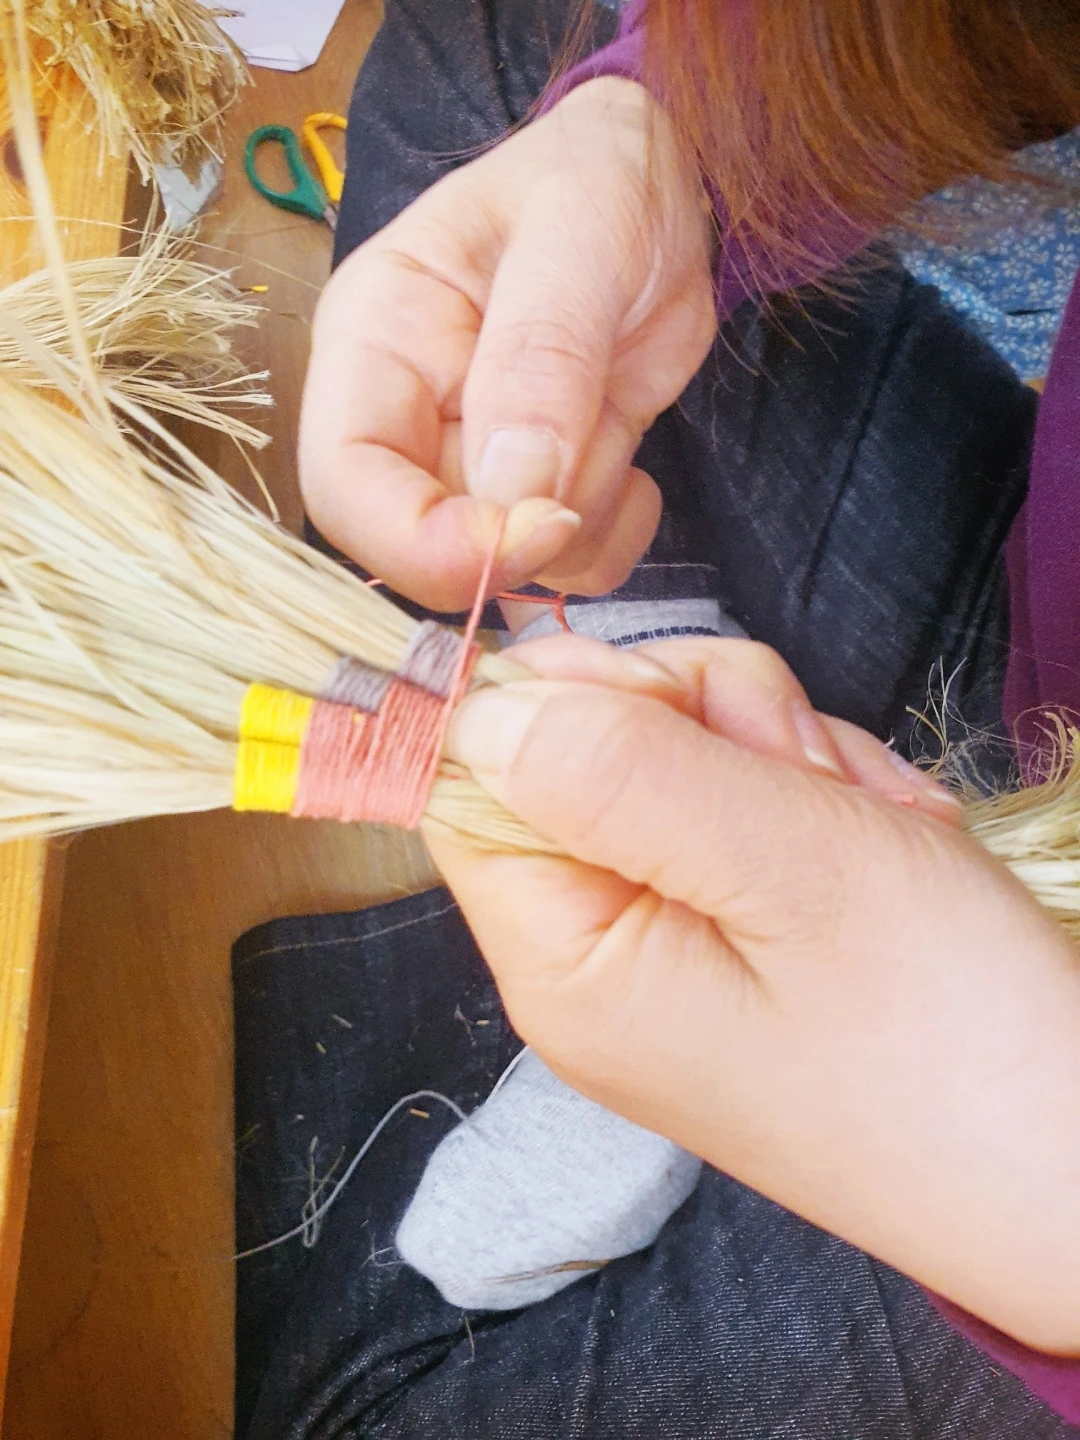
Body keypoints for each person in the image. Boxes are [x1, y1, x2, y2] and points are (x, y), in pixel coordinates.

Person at [232, 1, 1080, 1434]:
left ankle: (729, 958)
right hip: (1035, 655)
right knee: (500, 49)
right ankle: (642, 685)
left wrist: (1040, 1189)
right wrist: (669, 135)